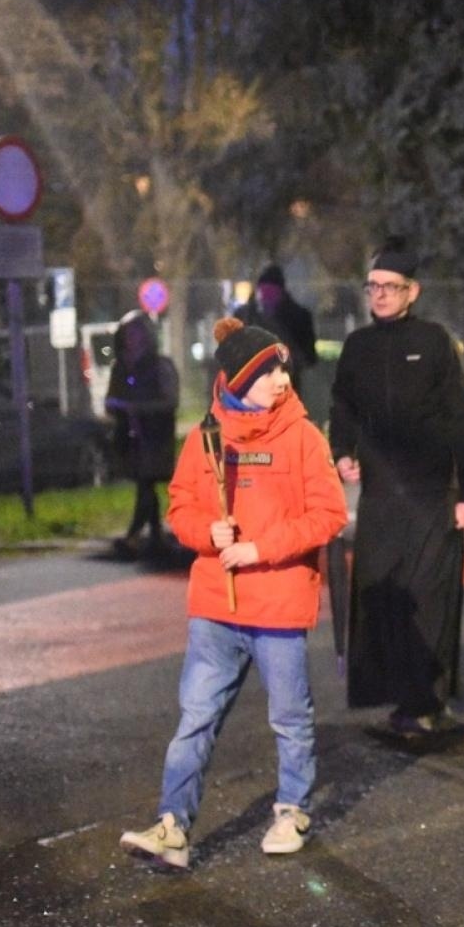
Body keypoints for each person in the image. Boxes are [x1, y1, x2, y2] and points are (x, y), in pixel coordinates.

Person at [118, 319, 347, 869]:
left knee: (289, 718)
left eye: (282, 368)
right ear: (241, 379)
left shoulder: (303, 437)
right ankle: (173, 827)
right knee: (195, 719)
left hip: (279, 605)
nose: (282, 380)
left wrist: (259, 548)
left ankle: (291, 810)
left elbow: (330, 514)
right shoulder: (205, 437)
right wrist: (205, 532)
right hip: (215, 609)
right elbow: (180, 507)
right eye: (270, 370)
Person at [330, 240, 464, 736]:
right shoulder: (357, 348)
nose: (379, 295)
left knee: (429, 596)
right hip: (379, 495)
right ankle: (394, 691)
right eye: (373, 287)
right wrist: (342, 452)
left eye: (389, 288)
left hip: (431, 493)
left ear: (411, 292)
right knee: (381, 595)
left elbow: (462, 418)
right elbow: (343, 409)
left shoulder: (435, 342)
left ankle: (426, 699)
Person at [105, 311, 179, 556]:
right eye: (127, 334)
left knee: (146, 482)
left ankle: (134, 534)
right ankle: (156, 535)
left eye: (136, 333)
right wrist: (118, 406)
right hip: (129, 436)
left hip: (155, 435)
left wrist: (141, 409)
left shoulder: (160, 365)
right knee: (143, 482)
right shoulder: (121, 367)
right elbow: (110, 399)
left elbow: (170, 401)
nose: (131, 338)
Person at [238, 264, 318, 391]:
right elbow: (309, 357)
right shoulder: (299, 317)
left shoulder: (247, 317)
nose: (266, 297)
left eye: (270, 292)